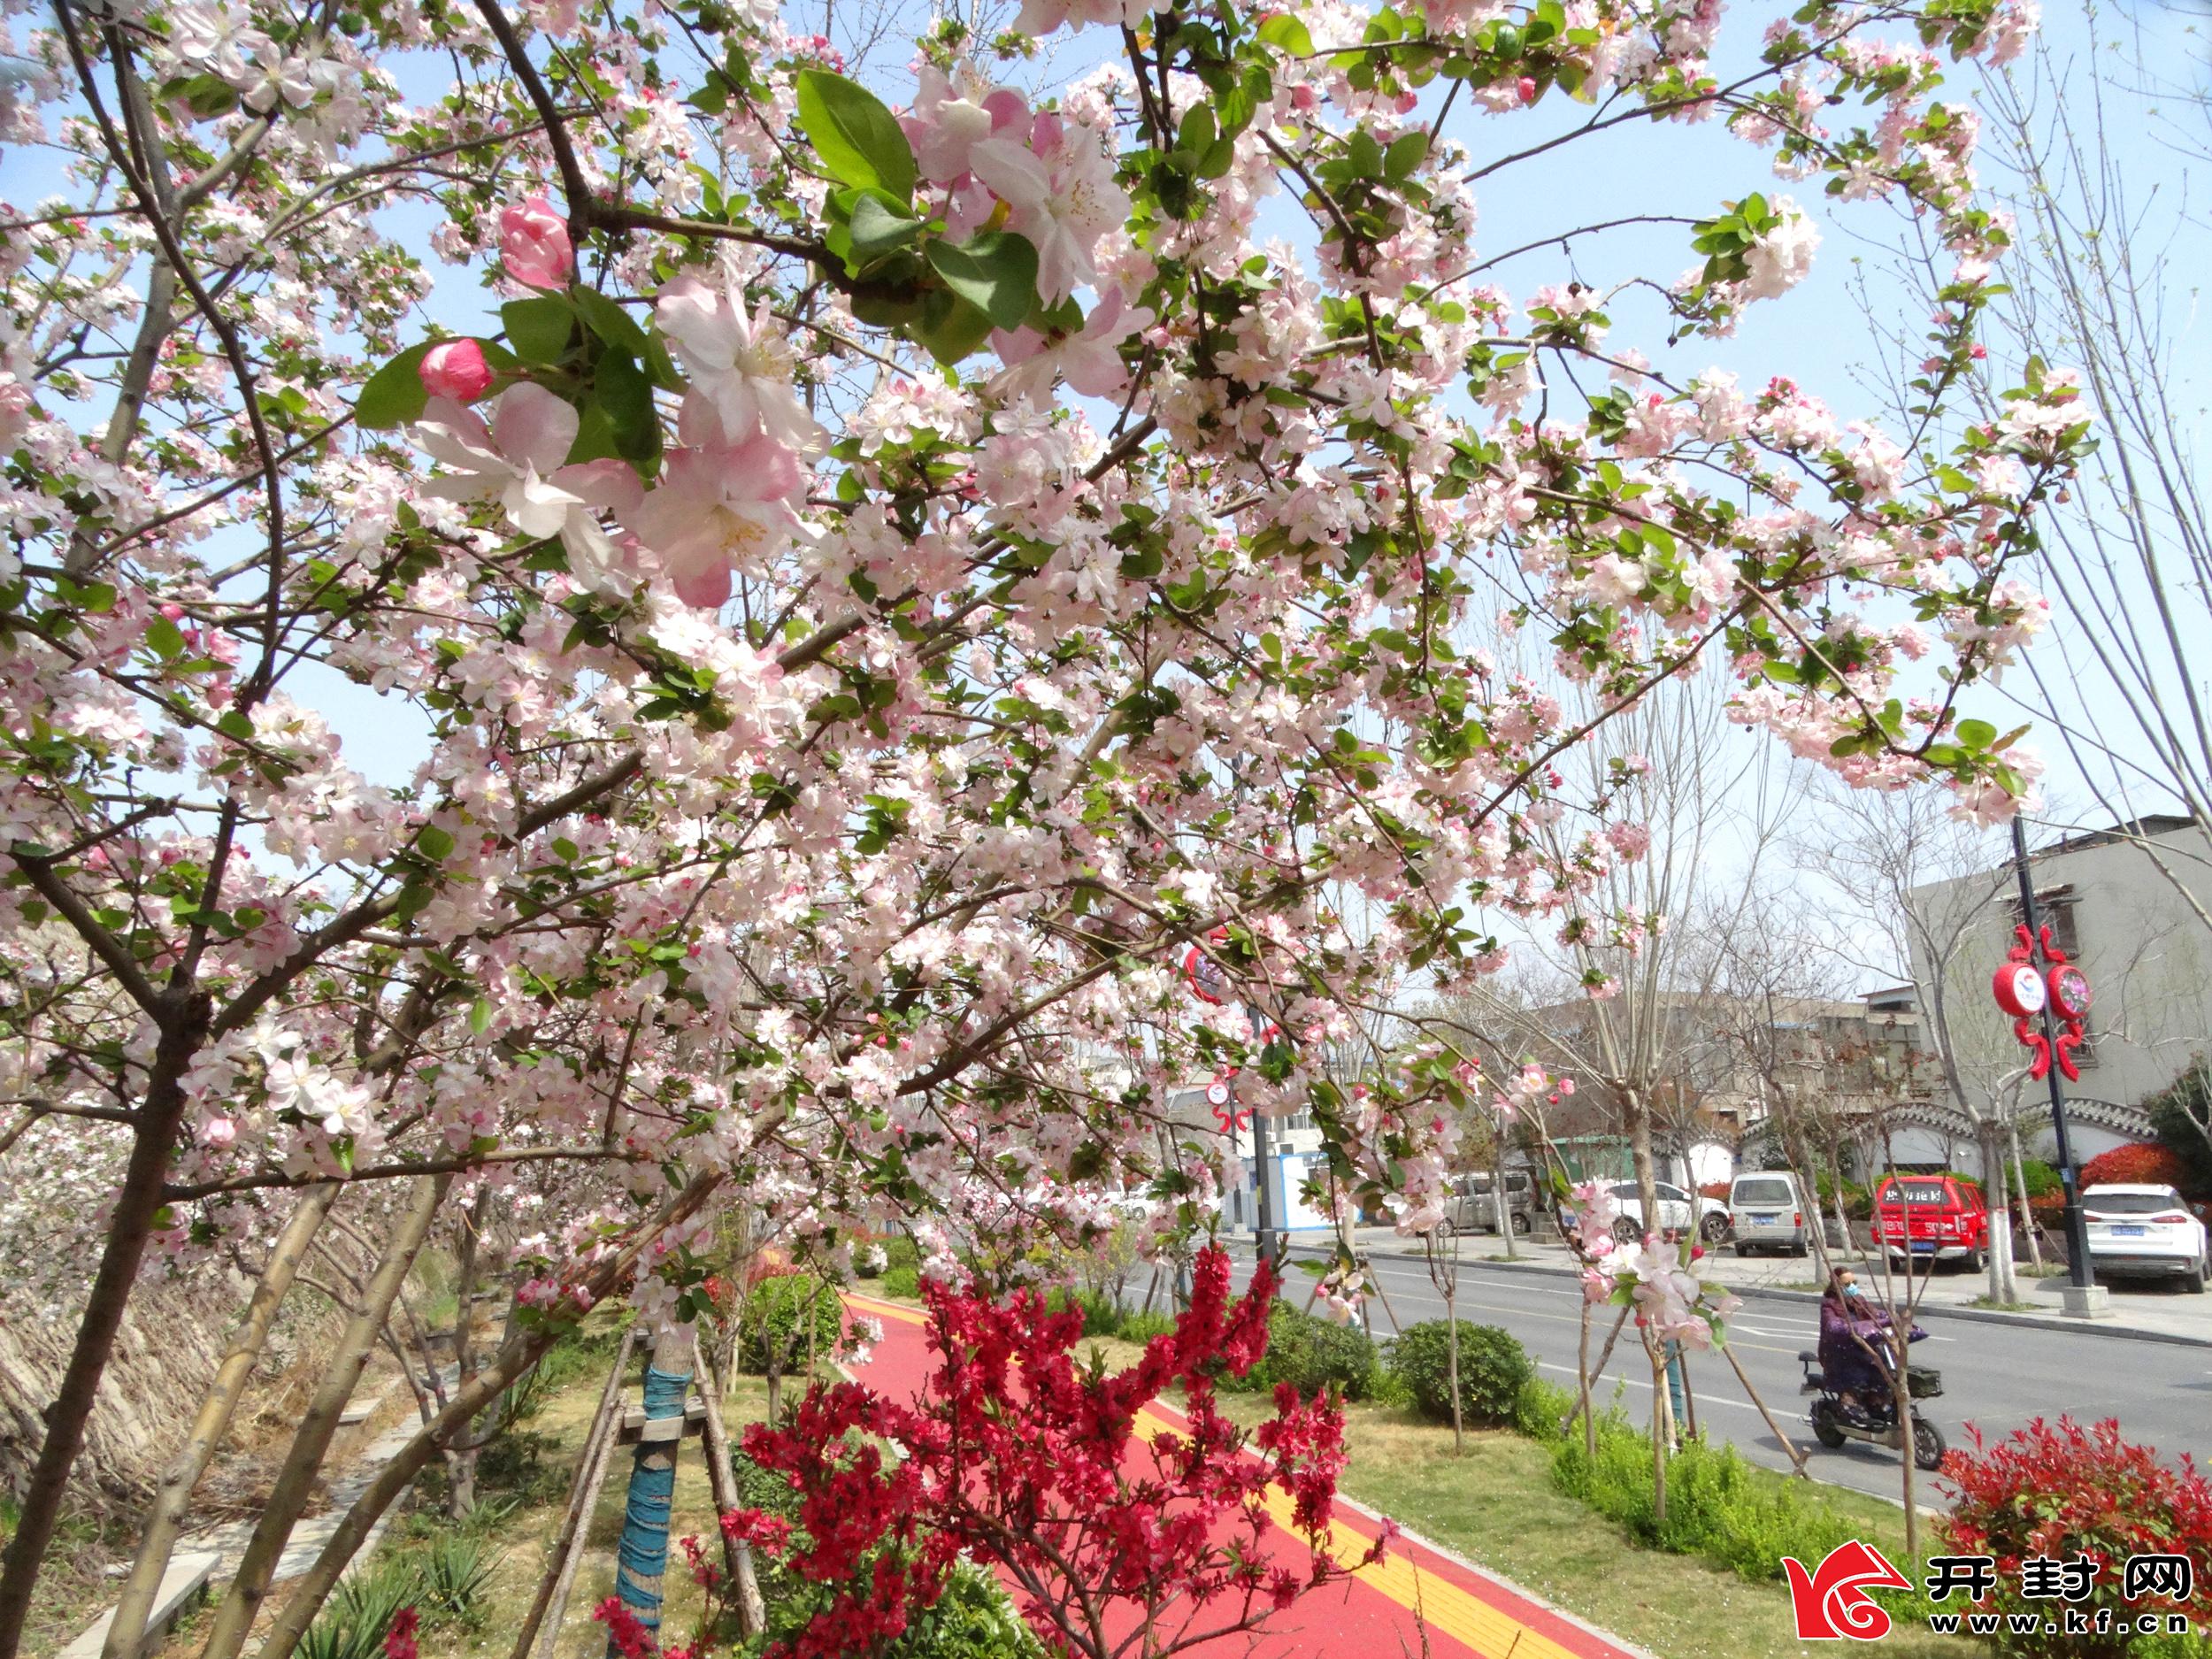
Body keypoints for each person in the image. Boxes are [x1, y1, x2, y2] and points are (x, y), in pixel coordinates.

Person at [1817, 1267, 1893, 1427]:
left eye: (1854, 1282)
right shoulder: (1829, 1305)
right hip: (1839, 1352)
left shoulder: (1858, 1300)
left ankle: (1876, 1403)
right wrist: (1854, 1327)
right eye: (1847, 1284)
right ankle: (1848, 1404)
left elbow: (1875, 1314)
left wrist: (1891, 1318)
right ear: (1837, 1286)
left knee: (1882, 1367)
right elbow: (1832, 1326)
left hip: (1862, 1347)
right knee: (1854, 1375)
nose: (1852, 1286)